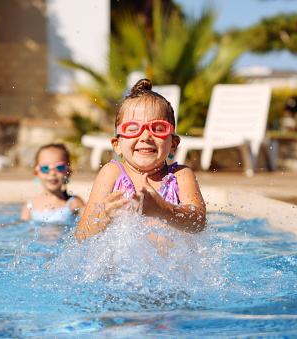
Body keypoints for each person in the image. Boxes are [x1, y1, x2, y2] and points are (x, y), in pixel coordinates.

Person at [75, 79, 206, 243]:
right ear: (117, 145)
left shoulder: (181, 175)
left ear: (173, 145)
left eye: (158, 128)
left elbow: (199, 223)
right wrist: (105, 216)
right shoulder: (112, 173)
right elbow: (81, 234)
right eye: (132, 129)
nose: (145, 137)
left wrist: (162, 210)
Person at [21, 143, 85, 224]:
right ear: (36, 174)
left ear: (68, 173)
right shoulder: (30, 206)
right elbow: (21, 227)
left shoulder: (74, 202)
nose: (52, 173)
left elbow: (92, 224)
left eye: (59, 167)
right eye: (45, 168)